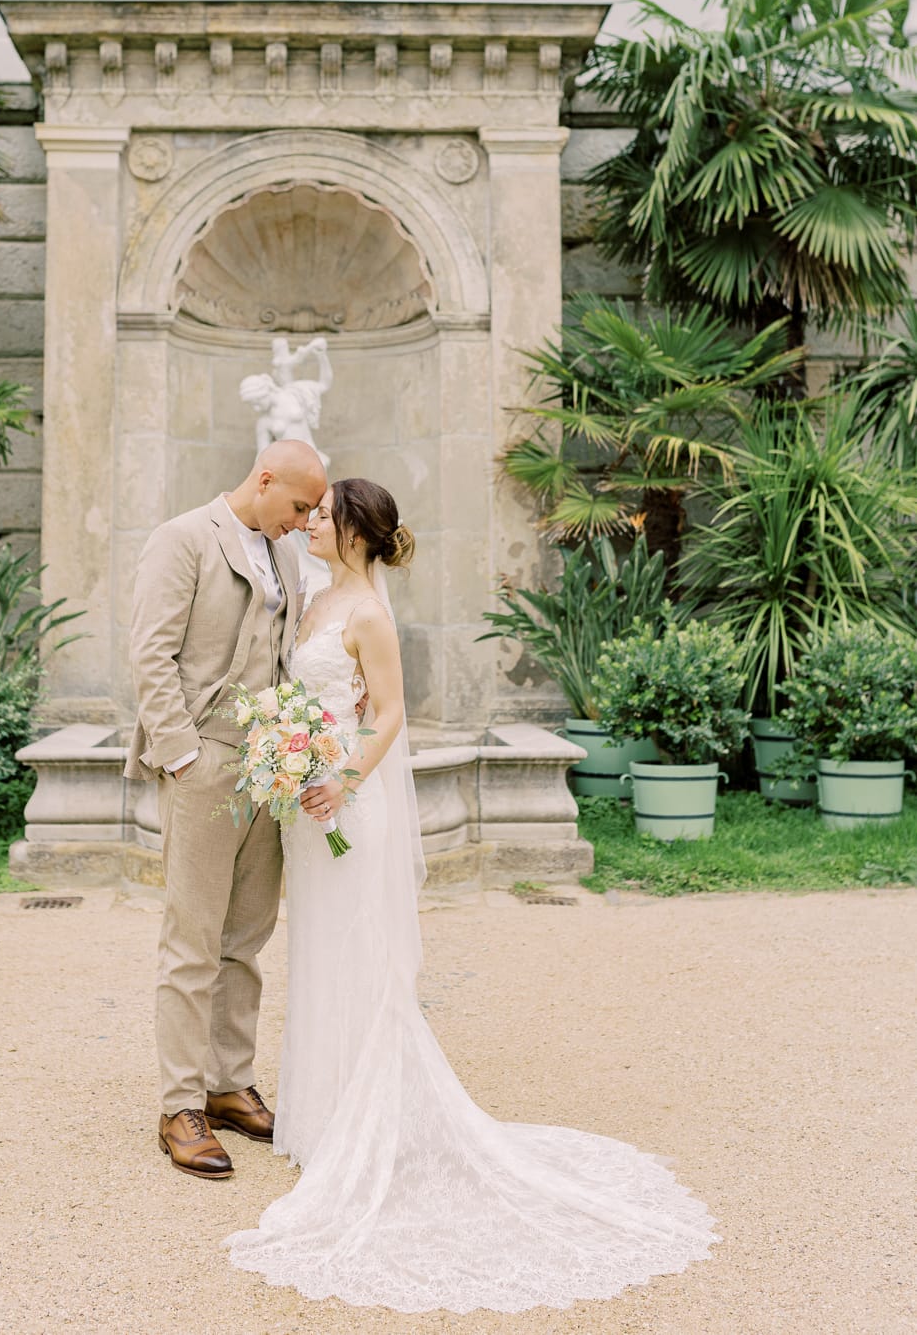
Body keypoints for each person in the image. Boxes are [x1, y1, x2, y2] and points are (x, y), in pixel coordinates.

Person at [225, 477, 716, 1314]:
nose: (309, 523)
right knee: (318, 951)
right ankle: (324, 1121)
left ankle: (367, 1126)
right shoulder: (317, 595)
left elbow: (389, 716)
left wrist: (338, 776)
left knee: (359, 954)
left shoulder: (369, 614)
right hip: (310, 806)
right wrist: (288, 752)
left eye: (322, 515)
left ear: (353, 531)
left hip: (348, 799)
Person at [125, 441, 327, 1180]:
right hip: (204, 760)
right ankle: (180, 1104)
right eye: (299, 506)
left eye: (313, 513)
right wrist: (181, 754)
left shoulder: (290, 559)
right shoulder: (183, 538)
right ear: (265, 479)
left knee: (245, 936)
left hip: (269, 767)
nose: (306, 523)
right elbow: (151, 653)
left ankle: (228, 1083)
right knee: (192, 940)